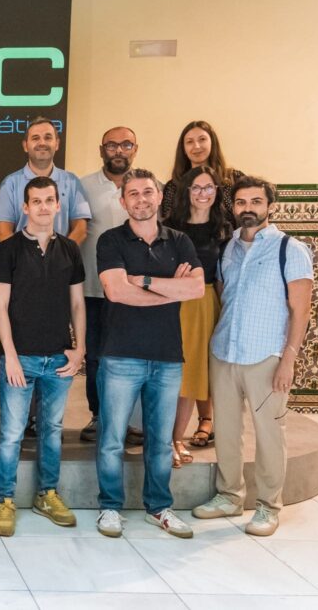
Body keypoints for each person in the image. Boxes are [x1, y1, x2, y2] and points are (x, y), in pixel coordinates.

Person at [192, 176, 313, 536]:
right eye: (241, 202)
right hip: (225, 352)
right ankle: (229, 495)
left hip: (267, 356)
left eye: (256, 202)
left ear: (270, 206)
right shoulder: (227, 249)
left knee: (269, 432)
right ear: (233, 207)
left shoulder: (289, 249)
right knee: (227, 431)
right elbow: (222, 295)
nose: (248, 208)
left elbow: (301, 311)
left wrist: (288, 359)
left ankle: (267, 506)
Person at [95, 169, 204, 539]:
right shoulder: (111, 240)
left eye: (147, 192)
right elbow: (116, 292)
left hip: (167, 356)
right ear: (123, 201)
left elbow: (196, 290)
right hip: (120, 354)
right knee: (112, 439)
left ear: (158, 197)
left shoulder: (180, 241)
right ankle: (109, 507)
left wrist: (142, 281)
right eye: (133, 194)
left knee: (160, 441)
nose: (141, 199)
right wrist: (171, 289)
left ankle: (159, 507)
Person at [0, 177, 86, 537]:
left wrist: (80, 348)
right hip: (21, 358)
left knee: (52, 431)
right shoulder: (9, 249)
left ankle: (47, 494)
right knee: (11, 433)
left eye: (49, 200)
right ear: (25, 207)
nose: (43, 207)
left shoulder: (70, 250)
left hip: (59, 358)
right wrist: (10, 356)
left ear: (58, 205)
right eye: (36, 201)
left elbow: (77, 304)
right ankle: (5, 499)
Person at [163, 167, 232, 467]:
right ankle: (165, 439)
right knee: (169, 373)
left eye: (209, 187)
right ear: (186, 191)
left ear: (217, 191)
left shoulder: (224, 229)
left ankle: (176, 438)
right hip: (171, 302)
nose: (203, 193)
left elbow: (224, 273)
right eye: (196, 187)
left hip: (205, 304)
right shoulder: (170, 227)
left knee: (192, 374)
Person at [78, 127, 139, 443]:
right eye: (112, 145)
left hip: (136, 292)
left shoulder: (147, 186)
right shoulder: (83, 186)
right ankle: (99, 416)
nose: (119, 150)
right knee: (96, 356)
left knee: (131, 356)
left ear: (135, 149)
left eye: (125, 145)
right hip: (93, 288)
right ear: (102, 150)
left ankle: (130, 421)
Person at [0, 118, 90, 245]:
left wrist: (61, 253)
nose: (42, 143)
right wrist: (24, 256)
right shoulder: (9, 184)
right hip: (21, 257)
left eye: (48, 137)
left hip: (62, 257)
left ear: (57, 144)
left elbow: (80, 229)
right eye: (35, 138)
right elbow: (3, 232)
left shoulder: (72, 182)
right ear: (25, 146)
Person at [161, 120, 243, 222]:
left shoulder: (234, 179)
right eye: (190, 142)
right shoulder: (173, 186)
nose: (196, 146)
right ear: (184, 149)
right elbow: (167, 225)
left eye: (202, 139)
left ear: (212, 143)